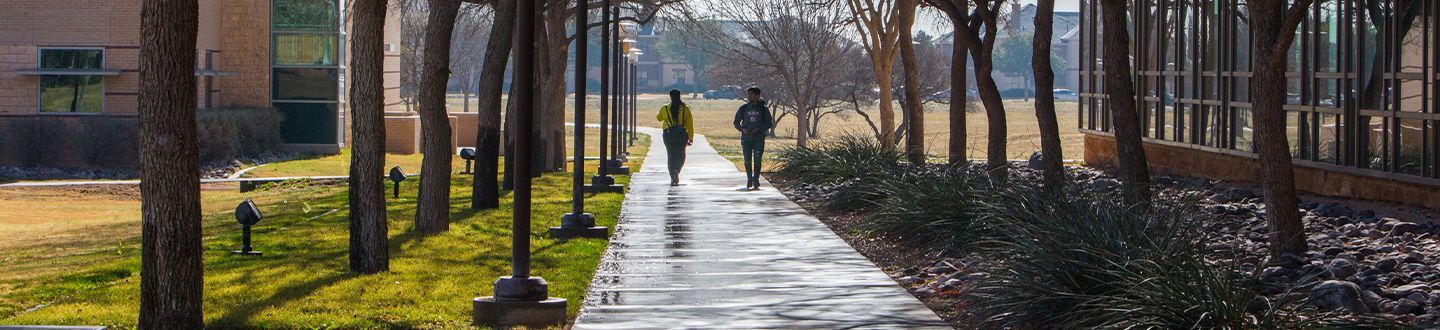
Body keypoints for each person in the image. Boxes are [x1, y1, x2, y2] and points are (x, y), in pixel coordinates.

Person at [733, 86, 773, 190]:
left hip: (758, 138)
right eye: (749, 94)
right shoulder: (744, 108)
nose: (749, 96)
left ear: (757, 95)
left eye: (752, 94)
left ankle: (756, 180)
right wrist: (742, 129)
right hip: (746, 139)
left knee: (757, 159)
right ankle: (749, 179)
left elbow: (769, 123)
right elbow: (736, 122)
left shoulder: (764, 109)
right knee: (747, 160)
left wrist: (759, 129)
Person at [657, 89, 694, 186]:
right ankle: (677, 170)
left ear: (670, 97)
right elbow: (689, 124)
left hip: (668, 135)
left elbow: (659, 118)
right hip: (681, 135)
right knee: (681, 155)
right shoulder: (685, 109)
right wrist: (690, 138)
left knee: (671, 155)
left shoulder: (665, 108)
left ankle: (672, 175)